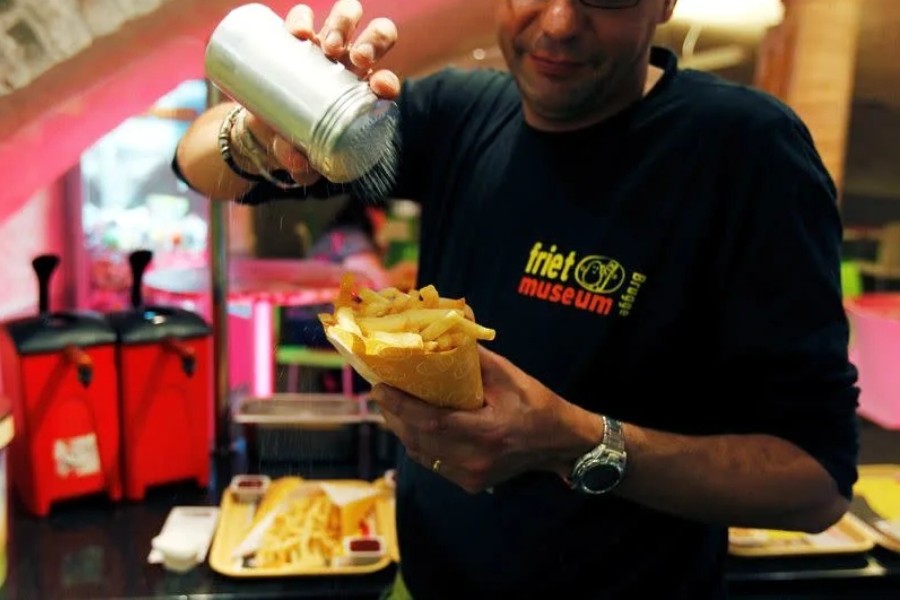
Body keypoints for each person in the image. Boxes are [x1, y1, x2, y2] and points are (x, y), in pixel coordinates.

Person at [173, 1, 860, 598]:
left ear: (666, 1)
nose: (559, 22)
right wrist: (262, 137)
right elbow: (196, 158)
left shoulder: (744, 150)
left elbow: (817, 484)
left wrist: (577, 443)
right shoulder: (461, 115)